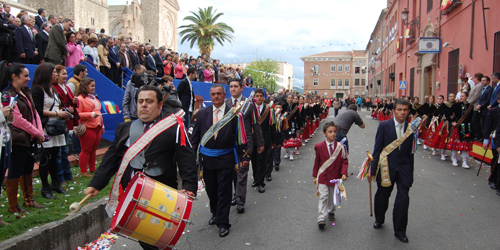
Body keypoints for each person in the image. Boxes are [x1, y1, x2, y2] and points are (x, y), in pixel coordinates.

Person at [84, 85, 198, 250]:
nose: (143, 105)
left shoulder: (174, 128)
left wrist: (189, 186)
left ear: (160, 105)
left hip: (162, 195)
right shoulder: (125, 128)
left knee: (157, 239)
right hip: (132, 194)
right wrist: (96, 183)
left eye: (149, 101)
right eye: (140, 101)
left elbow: (187, 159)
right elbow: (112, 157)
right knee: (144, 238)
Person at [191, 84, 249, 237]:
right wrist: (191, 157)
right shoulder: (202, 113)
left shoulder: (234, 114)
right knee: (211, 190)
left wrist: (244, 156)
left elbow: (241, 138)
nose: (216, 96)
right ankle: (215, 213)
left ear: (224, 95)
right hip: (207, 160)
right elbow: (195, 138)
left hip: (225, 159)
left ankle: (223, 222)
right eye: (213, 94)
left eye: (219, 94)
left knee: (224, 191)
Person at [368, 98, 415, 243]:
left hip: (404, 168)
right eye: (399, 109)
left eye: (405, 110)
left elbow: (411, 152)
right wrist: (372, 169)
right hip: (386, 167)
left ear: (408, 112)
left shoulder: (411, 128)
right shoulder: (384, 126)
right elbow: (377, 149)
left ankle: (400, 231)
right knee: (382, 196)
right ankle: (379, 218)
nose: (402, 112)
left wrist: (410, 173)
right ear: (393, 111)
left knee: (403, 199)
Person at [3, 62, 45, 217]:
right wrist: (36, 132)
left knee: (27, 168)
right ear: (14, 76)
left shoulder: (25, 92)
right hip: (18, 138)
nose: (28, 79)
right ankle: (13, 206)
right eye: (25, 76)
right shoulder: (8, 95)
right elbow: (17, 120)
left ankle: (29, 199)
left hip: (30, 138)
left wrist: (39, 131)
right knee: (15, 170)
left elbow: (34, 113)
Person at [31, 62, 71, 199]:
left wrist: (61, 112)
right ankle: (45, 187)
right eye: (54, 72)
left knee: (55, 156)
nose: (55, 74)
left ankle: (55, 183)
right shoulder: (37, 89)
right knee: (46, 158)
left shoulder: (52, 89)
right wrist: (57, 114)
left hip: (56, 126)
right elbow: (37, 110)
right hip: (46, 127)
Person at [225, 79, 264, 207]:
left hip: (245, 143)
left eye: (236, 86)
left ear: (242, 88)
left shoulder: (249, 105)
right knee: (232, 171)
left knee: (242, 170)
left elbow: (255, 124)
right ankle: (235, 193)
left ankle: (240, 200)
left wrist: (260, 143)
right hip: (229, 143)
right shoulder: (225, 104)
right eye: (231, 86)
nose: (233, 89)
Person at [312, 121, 348, 229]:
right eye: (330, 132)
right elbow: (317, 162)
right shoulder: (319, 146)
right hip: (323, 176)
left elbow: (344, 161)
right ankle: (321, 217)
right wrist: (315, 176)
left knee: (332, 197)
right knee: (323, 196)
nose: (333, 134)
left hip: (335, 176)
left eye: (334, 132)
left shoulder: (340, 147)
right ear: (324, 133)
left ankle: (331, 211)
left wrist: (344, 173)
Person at [53, 65, 77, 185]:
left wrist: (74, 102)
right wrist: (68, 108)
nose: (65, 76)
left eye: (66, 73)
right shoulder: (54, 88)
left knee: (65, 149)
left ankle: (67, 174)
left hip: (67, 122)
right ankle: (60, 176)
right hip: (58, 122)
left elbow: (71, 100)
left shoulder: (66, 87)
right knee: (60, 151)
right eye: (63, 74)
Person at [251, 89, 276, 198]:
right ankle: (256, 179)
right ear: (254, 97)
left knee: (262, 161)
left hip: (265, 140)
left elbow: (273, 127)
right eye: (257, 96)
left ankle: (261, 183)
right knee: (254, 161)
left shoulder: (269, 110)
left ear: (264, 97)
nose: (259, 98)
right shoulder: (250, 109)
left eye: (261, 96)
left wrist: (274, 141)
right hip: (252, 139)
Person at [76, 77, 103, 177]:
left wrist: (102, 125)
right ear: (85, 86)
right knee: (86, 150)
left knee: (93, 149)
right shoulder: (80, 99)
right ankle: (83, 171)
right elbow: (78, 114)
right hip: (88, 127)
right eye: (91, 86)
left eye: (94, 86)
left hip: (97, 126)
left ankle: (92, 168)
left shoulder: (94, 98)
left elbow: (98, 111)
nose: (93, 88)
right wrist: (90, 115)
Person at [448, 92, 474, 168]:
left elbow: (472, 117)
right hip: (457, 126)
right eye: (460, 96)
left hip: (467, 127)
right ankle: (454, 159)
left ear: (467, 97)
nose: (461, 97)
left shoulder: (470, 106)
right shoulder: (456, 105)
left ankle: (465, 162)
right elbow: (447, 113)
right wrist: (452, 122)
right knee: (456, 144)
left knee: (465, 144)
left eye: (463, 96)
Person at [483, 92, 500, 191]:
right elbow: (487, 125)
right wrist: (485, 140)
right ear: (498, 101)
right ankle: (493, 179)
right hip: (495, 137)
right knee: (496, 158)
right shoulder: (493, 111)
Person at [282, 94, 302, 161]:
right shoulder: (284, 106)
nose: (290, 99)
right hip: (285, 124)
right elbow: (282, 115)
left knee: (291, 139)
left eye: (291, 98)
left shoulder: (295, 107)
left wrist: (300, 125)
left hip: (292, 124)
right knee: (285, 139)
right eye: (289, 98)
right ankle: (287, 153)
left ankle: (291, 154)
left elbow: (298, 116)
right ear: (287, 98)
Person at [472, 76, 493, 141]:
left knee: (486, 125)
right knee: (482, 124)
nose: (482, 82)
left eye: (484, 80)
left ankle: (485, 138)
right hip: (481, 109)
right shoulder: (482, 89)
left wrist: (481, 105)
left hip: (486, 109)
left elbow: (488, 100)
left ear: (488, 81)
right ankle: (482, 137)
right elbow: (479, 98)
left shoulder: (490, 89)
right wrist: (478, 104)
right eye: (482, 80)